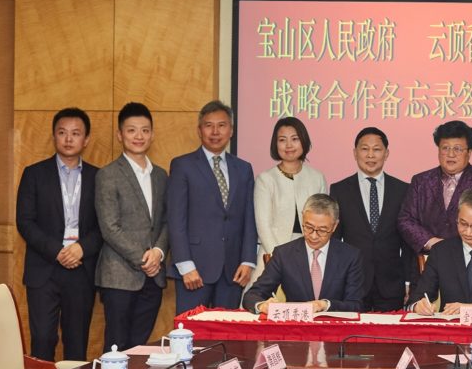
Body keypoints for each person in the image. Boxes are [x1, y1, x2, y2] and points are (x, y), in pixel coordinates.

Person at [15, 107, 103, 361]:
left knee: (77, 343)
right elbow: (25, 221)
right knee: (42, 339)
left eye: (76, 133)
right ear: (54, 136)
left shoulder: (99, 177)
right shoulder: (34, 174)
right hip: (44, 269)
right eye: (62, 133)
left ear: (86, 140)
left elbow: (104, 226)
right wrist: (57, 251)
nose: (68, 139)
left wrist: (81, 249)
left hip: (81, 268)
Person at [167, 101, 257, 313]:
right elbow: (175, 220)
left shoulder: (243, 169)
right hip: (194, 270)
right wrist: (185, 265)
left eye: (222, 125)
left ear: (231, 131)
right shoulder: (182, 165)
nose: (215, 132)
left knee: (227, 336)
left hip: (233, 271)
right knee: (191, 335)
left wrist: (248, 261)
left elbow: (248, 219)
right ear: (199, 130)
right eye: (209, 125)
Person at [94, 103, 169, 351]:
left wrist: (157, 253)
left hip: (153, 277)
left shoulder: (160, 175)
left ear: (153, 134)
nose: (139, 136)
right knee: (116, 347)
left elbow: (167, 221)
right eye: (132, 130)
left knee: (139, 348)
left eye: (145, 130)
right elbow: (109, 227)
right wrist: (143, 258)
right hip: (120, 276)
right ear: (120, 135)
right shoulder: (108, 175)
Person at [330, 127, 415, 311]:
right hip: (353, 282)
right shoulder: (340, 190)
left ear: (386, 153)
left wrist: (409, 282)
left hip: (392, 284)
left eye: (376, 149)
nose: (370, 155)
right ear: (355, 153)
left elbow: (408, 244)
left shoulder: (403, 190)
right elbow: (335, 242)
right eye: (364, 149)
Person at [397, 120, 472, 257]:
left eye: (457, 149)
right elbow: (406, 219)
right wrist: (432, 242)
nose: (450, 154)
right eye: (445, 148)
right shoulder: (421, 181)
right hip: (428, 260)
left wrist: (466, 245)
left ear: (469, 152)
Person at [242, 194, 364, 313]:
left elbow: (355, 304)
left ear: (334, 226)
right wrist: (262, 305)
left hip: (335, 329)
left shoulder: (350, 256)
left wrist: (325, 305)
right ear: (303, 218)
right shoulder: (284, 254)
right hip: (296, 329)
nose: (313, 236)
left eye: (322, 230)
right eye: (308, 227)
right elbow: (252, 295)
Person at [252, 117, 328, 281]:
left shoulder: (317, 178)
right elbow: (263, 225)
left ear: (304, 141)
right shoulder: (265, 179)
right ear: (275, 144)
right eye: (282, 140)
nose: (288, 145)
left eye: (294, 139)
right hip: (272, 254)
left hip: (310, 254)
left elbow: (324, 222)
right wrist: (280, 258)